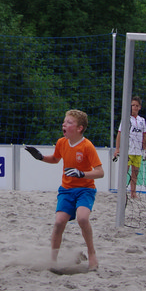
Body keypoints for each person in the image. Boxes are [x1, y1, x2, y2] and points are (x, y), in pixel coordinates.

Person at [25, 109, 104, 271]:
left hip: (85, 189)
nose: (64, 124)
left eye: (69, 122)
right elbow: (55, 159)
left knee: (83, 219)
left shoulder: (87, 146)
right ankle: (52, 261)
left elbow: (100, 172)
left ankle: (91, 253)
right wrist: (40, 157)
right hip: (67, 190)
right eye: (64, 121)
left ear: (79, 128)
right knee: (59, 222)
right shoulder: (62, 142)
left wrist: (82, 174)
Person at [113, 96, 146, 199]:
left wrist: (145, 150)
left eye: (137, 105)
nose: (134, 107)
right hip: (127, 152)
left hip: (138, 152)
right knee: (124, 173)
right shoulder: (126, 119)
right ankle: (122, 192)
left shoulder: (142, 120)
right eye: (133, 105)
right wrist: (117, 149)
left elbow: (144, 136)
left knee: (135, 174)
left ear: (140, 107)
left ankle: (133, 193)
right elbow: (119, 134)